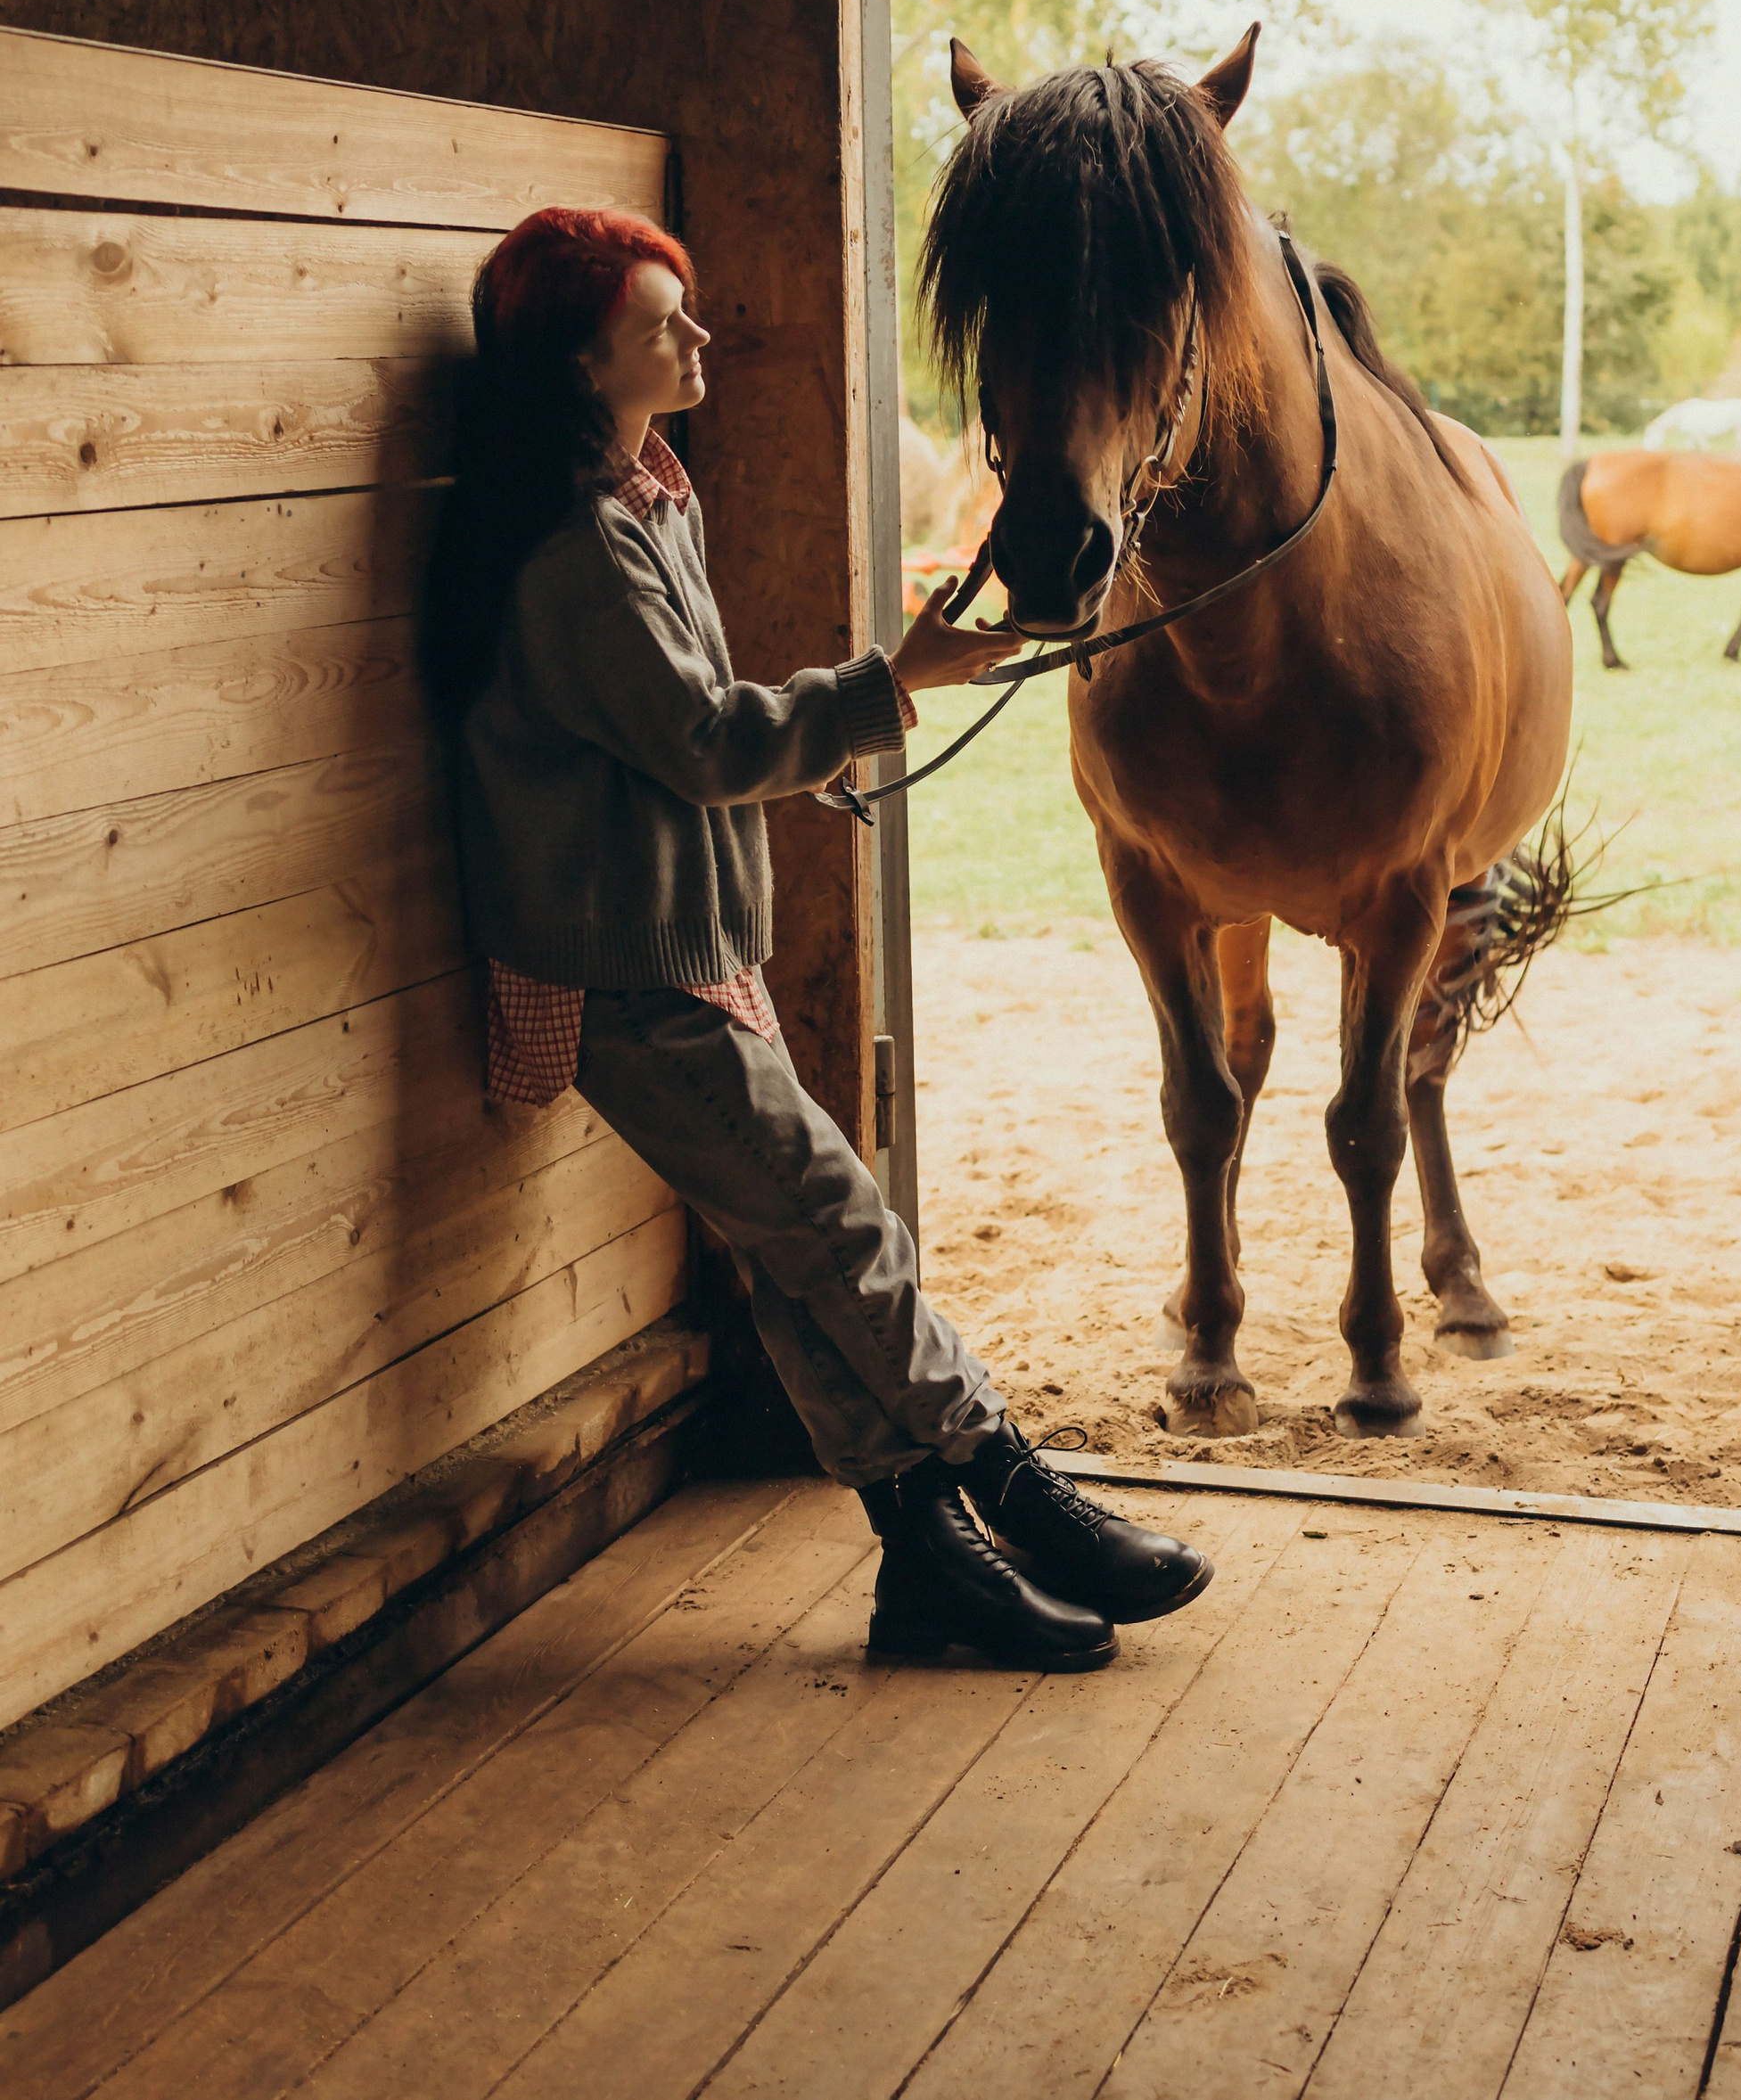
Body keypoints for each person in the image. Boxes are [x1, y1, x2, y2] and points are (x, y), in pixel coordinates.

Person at [420, 207, 1211, 1671]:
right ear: (585, 357)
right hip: (625, 972)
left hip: (682, 946)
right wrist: (885, 682)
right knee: (843, 1229)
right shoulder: (578, 552)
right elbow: (709, 743)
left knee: (799, 1256)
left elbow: (674, 744)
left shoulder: (650, 498)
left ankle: (926, 1565)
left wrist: (882, 689)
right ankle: (1011, 1486)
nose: (700, 339)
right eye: (668, 322)